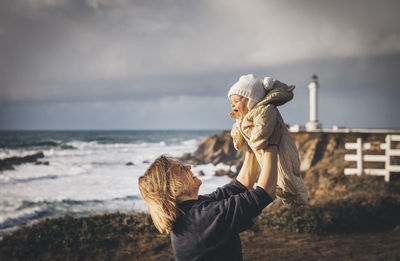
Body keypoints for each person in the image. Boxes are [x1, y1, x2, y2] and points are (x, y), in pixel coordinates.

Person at [138, 122, 282, 261]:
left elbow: (240, 186)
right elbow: (264, 193)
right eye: (181, 169)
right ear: (172, 189)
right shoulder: (203, 219)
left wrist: (252, 142)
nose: (189, 167)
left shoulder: (193, 209)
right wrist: (272, 145)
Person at [228, 74, 308, 207]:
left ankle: (300, 204)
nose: (232, 105)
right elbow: (237, 143)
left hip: (282, 151)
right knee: (277, 182)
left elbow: (260, 135)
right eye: (231, 102)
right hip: (266, 154)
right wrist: (240, 122)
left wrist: (251, 136)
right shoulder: (245, 118)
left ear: (251, 100)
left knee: (288, 176)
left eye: (236, 101)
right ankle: (295, 207)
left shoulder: (265, 110)